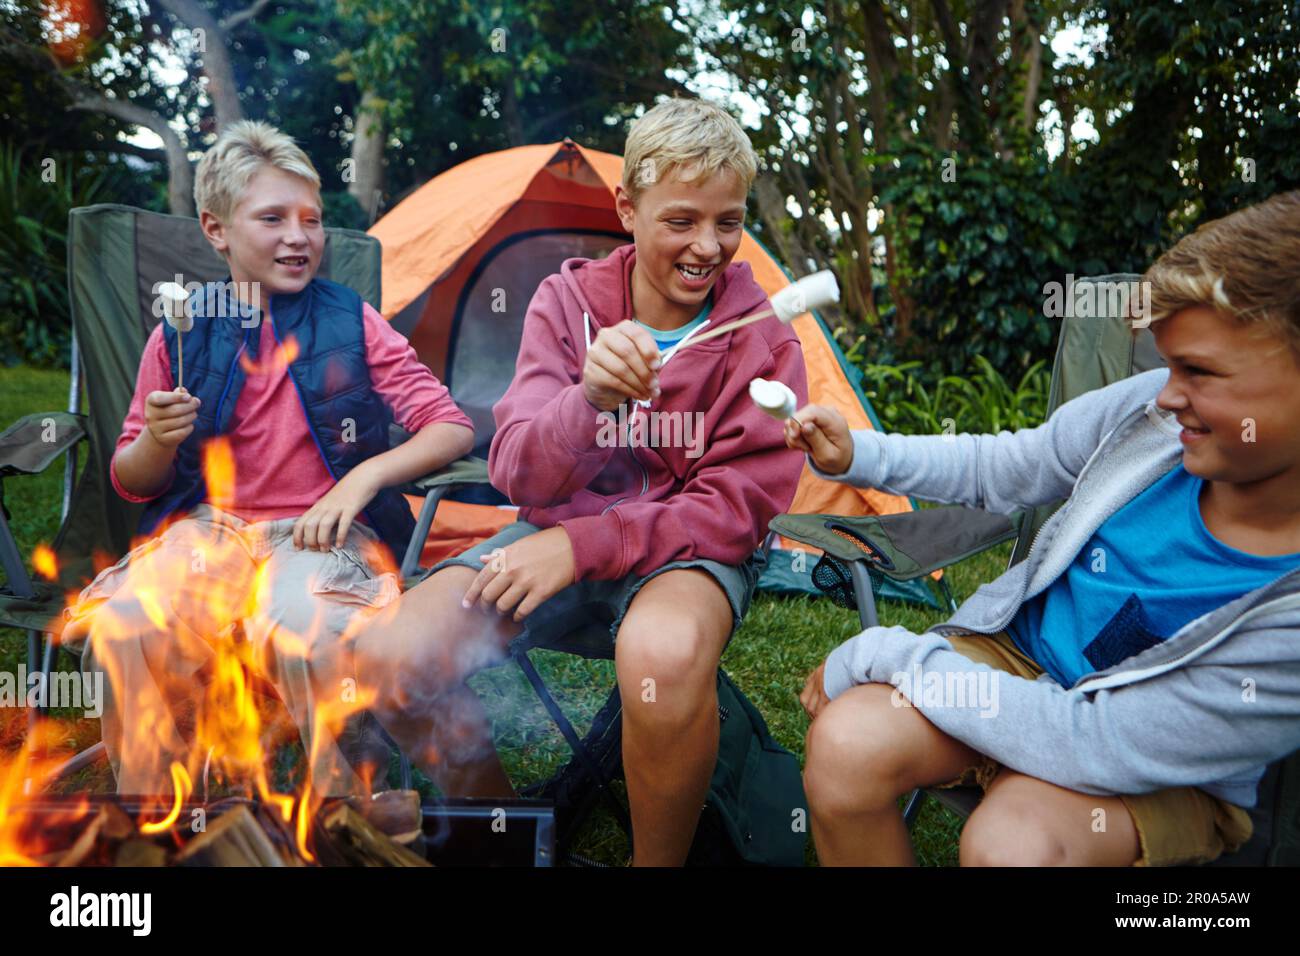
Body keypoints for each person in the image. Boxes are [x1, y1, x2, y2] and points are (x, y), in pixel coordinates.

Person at [352, 98, 809, 865]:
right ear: (627, 207)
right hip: (553, 535)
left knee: (659, 654)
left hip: (686, 553)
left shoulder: (763, 339)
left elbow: (736, 511)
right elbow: (516, 466)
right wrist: (588, 402)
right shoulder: (567, 304)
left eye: (728, 223)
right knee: (396, 653)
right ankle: (507, 836)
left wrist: (586, 543)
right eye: (682, 221)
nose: (708, 247)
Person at [787, 190, 1300, 866]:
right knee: (846, 749)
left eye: (1198, 371)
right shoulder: (1153, 418)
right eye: (1169, 364)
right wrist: (861, 455)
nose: (1167, 394)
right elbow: (1006, 465)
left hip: (1152, 771)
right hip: (1021, 658)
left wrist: (892, 657)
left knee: (1012, 847)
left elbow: (1093, 742)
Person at [63, 121, 474, 797]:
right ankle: (153, 811)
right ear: (217, 230)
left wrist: (362, 480)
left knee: (304, 631)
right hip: (208, 533)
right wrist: (159, 439)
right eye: (273, 218)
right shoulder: (183, 332)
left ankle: (341, 816)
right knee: (127, 627)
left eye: (311, 219)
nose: (298, 236)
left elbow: (448, 427)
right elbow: (133, 481)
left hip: (321, 535)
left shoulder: (353, 322)